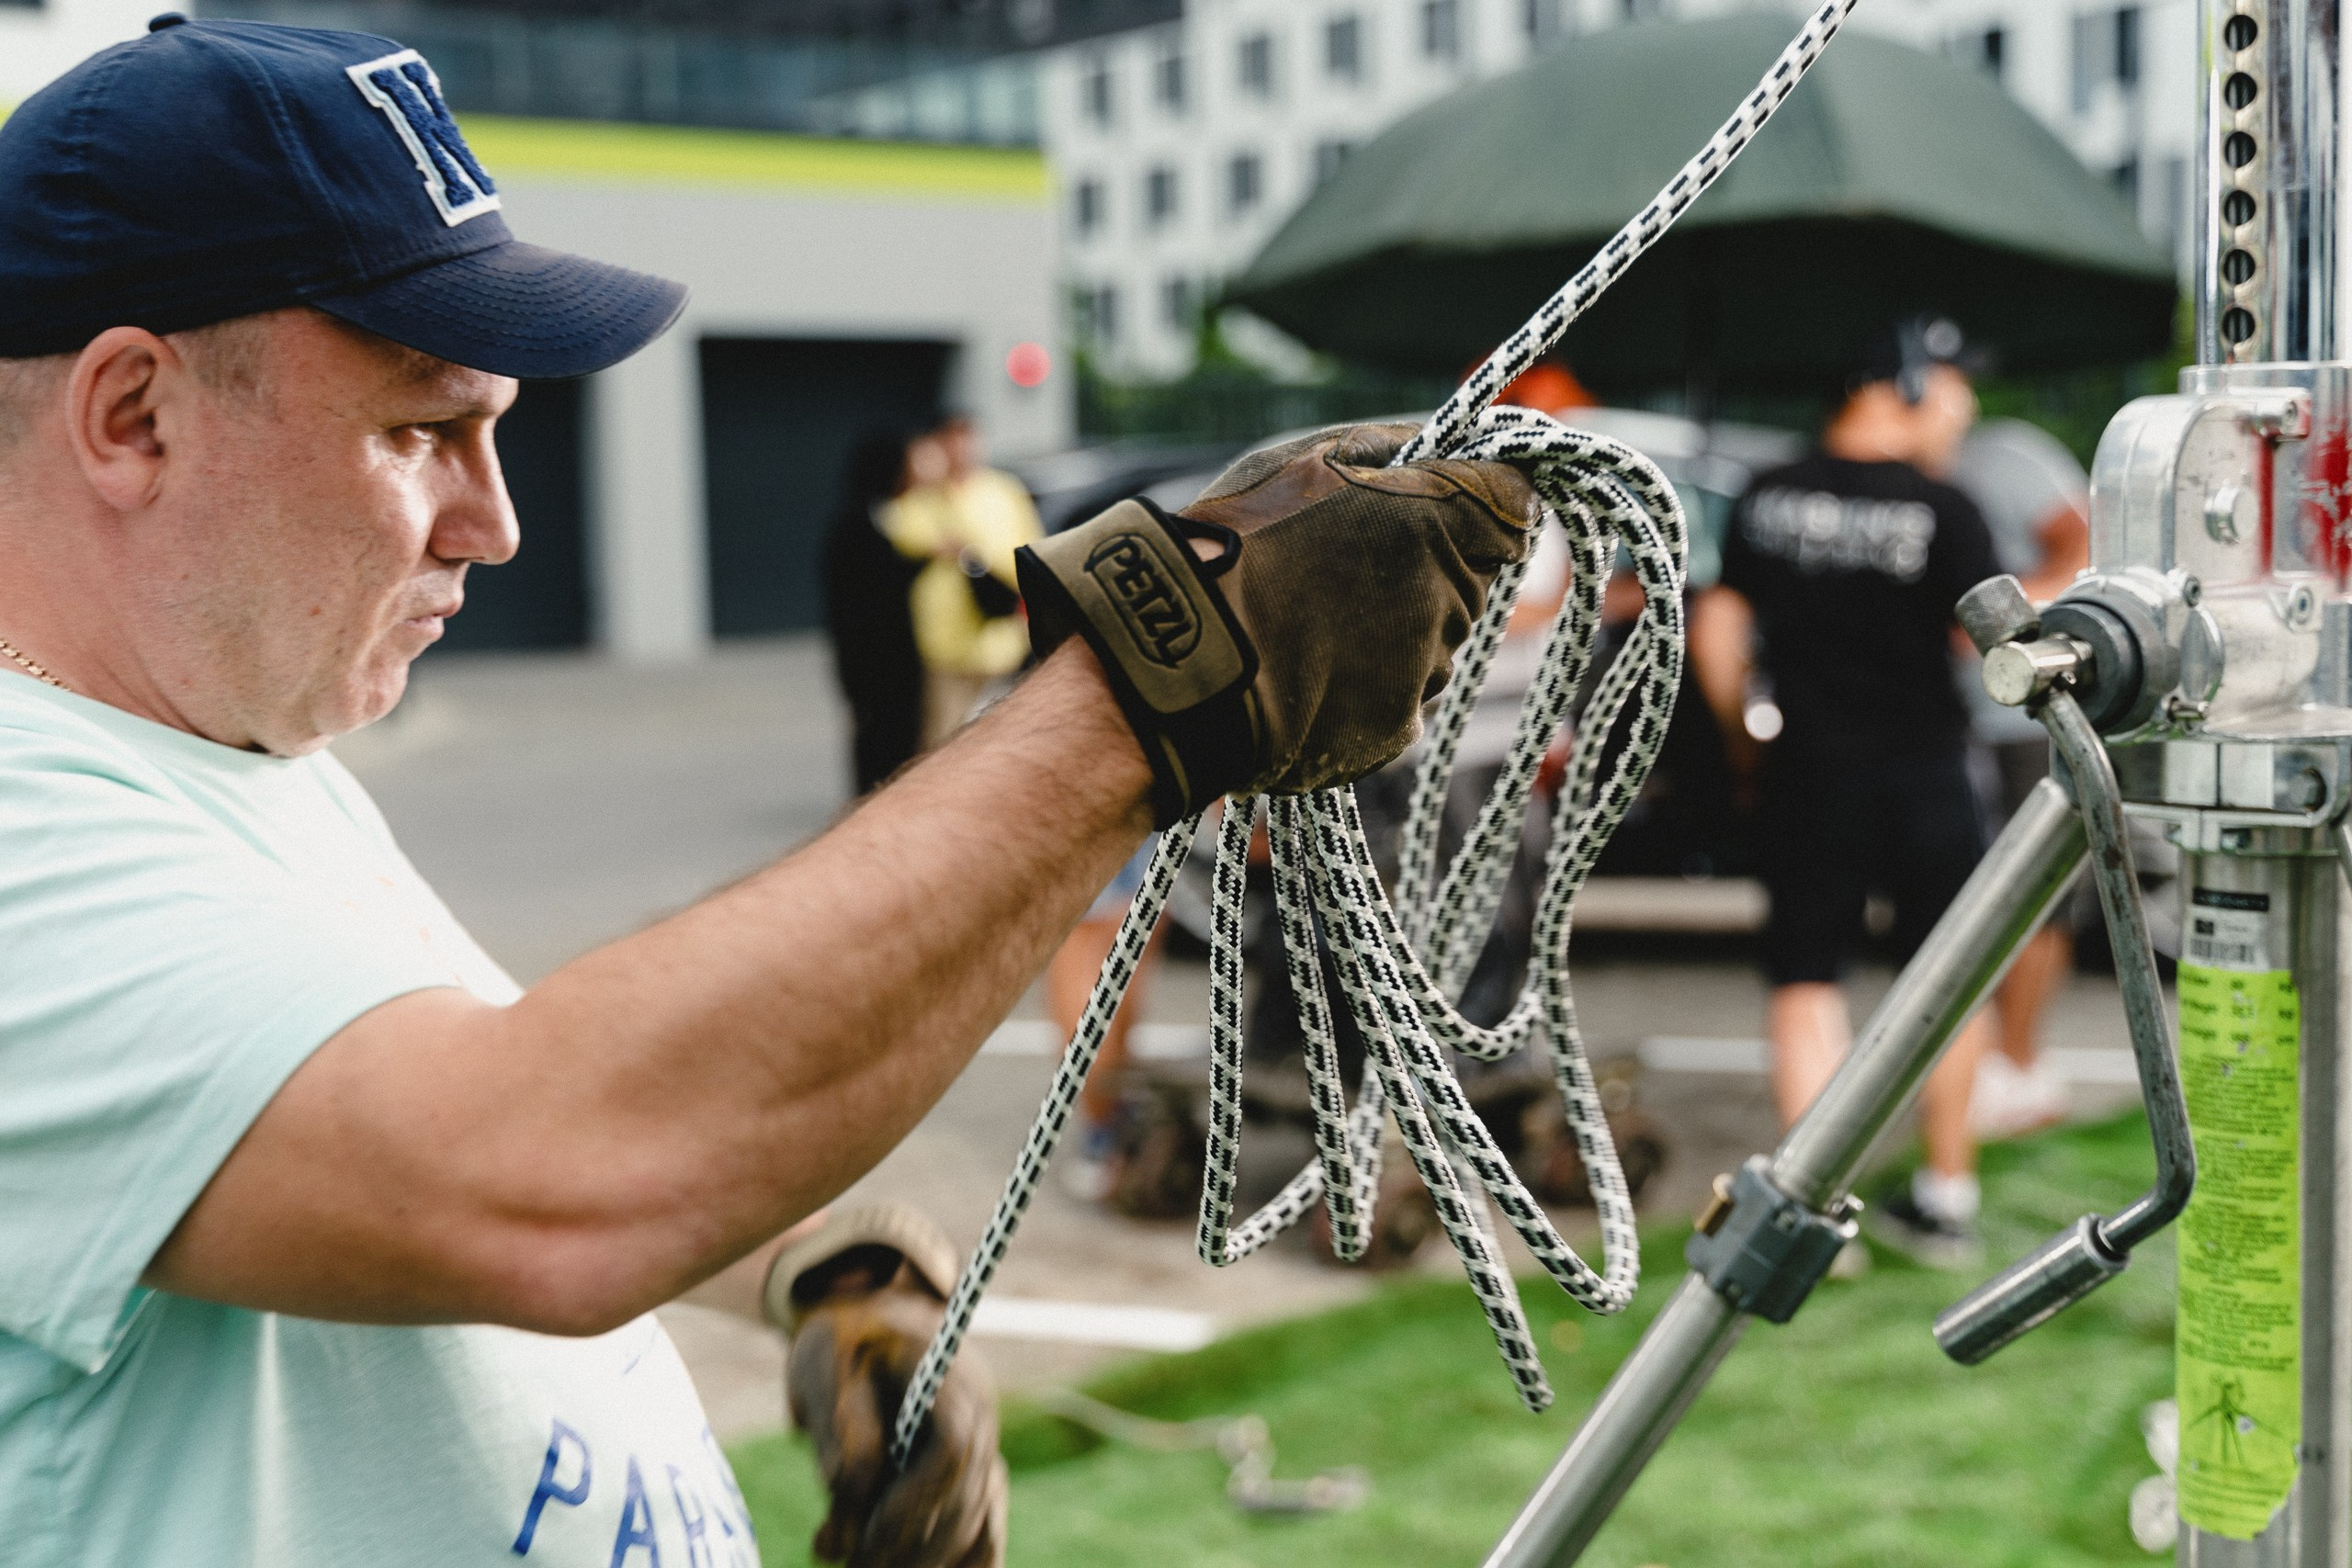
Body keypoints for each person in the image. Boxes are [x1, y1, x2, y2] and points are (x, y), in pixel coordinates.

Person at [0, 20, 1540, 1567]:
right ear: (135, 416)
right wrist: (1151, 689)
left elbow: (445, 1091)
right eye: (419, 427)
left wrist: (814, 1268)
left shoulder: (231, 757)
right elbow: (540, 1170)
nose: (497, 521)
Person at [1690, 316, 2003, 1269]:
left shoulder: (1766, 493)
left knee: (1805, 984)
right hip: (1926, 773)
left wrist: (1745, 740)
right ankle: (1944, 1198)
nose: (1964, 405)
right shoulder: (1944, 507)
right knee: (1947, 986)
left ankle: (1811, 1217)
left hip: (1810, 773)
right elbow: (1983, 641)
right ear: (1895, 387)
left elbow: (1718, 629)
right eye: (1948, 385)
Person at [1950, 417, 2095, 1139]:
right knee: (1974, 898)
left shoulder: (1999, 454)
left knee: (2035, 895)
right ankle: (2000, 1064)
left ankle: (2016, 1065)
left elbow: (2088, 541)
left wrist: (2002, 621)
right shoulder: (1914, 475)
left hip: (2024, 718)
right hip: (1950, 722)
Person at [880, 415, 1044, 749]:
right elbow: (900, 532)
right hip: (945, 644)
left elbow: (1032, 549)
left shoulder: (1003, 490)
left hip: (1002, 639)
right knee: (943, 741)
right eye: (951, 440)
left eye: (968, 438)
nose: (962, 449)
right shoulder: (920, 497)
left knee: (1007, 740)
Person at [823, 428, 927, 795]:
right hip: (879, 675)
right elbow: (865, 603)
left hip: (882, 672)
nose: (915, 473)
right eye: (907, 465)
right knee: (882, 765)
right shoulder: (857, 531)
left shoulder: (878, 520)